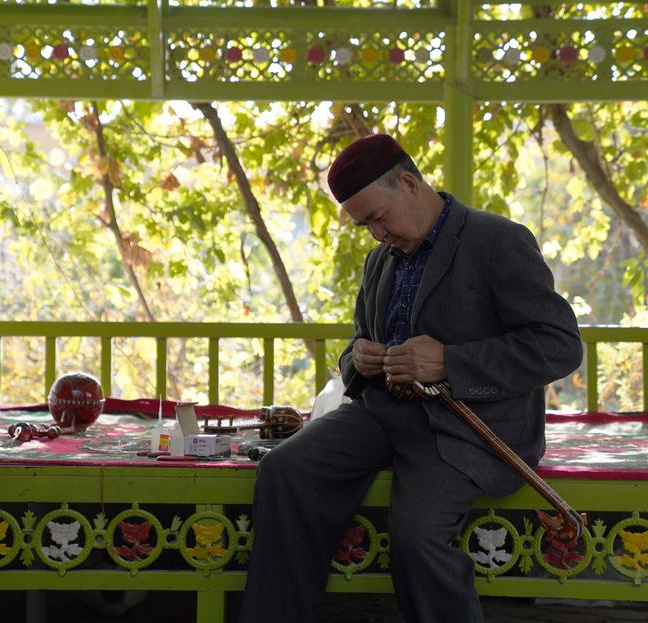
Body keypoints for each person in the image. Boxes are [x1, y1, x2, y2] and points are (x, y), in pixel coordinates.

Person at [238, 134, 583, 623]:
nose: (377, 234)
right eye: (365, 225)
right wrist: (359, 359)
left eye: (378, 217)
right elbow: (358, 343)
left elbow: (560, 344)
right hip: (382, 414)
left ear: (409, 183)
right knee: (283, 469)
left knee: (417, 538)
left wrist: (449, 362)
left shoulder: (497, 240)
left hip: (466, 427)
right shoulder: (380, 259)